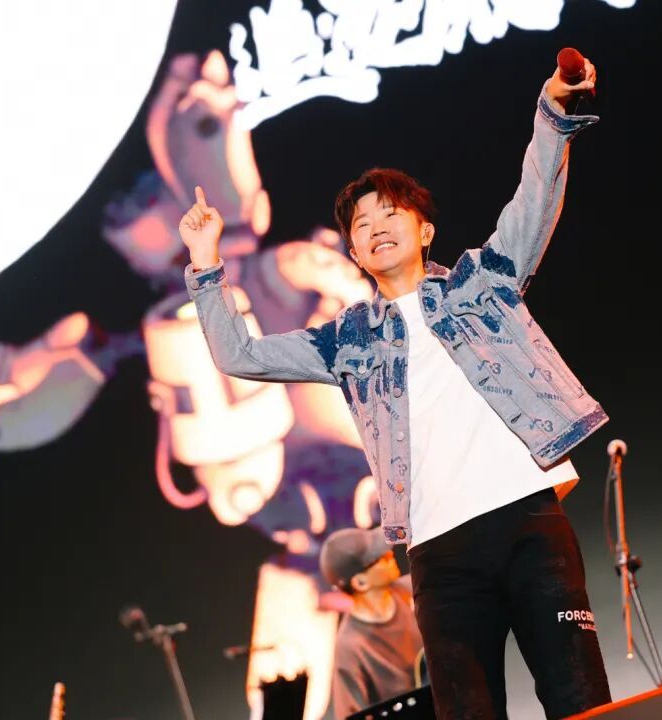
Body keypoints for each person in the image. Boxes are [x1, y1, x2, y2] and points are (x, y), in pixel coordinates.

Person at [178, 51, 611, 718]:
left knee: (578, 697)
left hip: (527, 519)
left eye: (390, 213)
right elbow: (241, 355)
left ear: (424, 228)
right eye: (362, 225)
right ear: (353, 252)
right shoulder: (347, 340)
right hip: (439, 552)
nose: (377, 227)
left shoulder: (481, 283)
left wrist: (553, 112)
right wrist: (206, 268)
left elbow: (534, 201)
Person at [319, 527, 424, 718]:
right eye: (379, 558)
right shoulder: (351, 646)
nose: (389, 554)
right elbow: (351, 712)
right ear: (360, 583)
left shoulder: (412, 589)